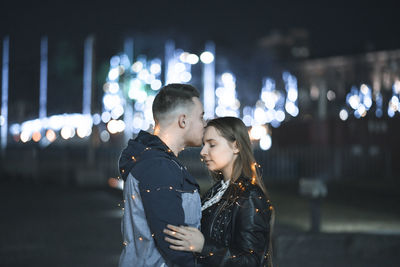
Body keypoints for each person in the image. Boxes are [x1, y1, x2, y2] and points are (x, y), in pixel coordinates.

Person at [163, 117, 274, 267]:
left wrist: (203, 246)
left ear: (236, 146)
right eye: (204, 144)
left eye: (212, 145)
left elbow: (252, 262)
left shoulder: (249, 196)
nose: (203, 152)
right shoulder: (216, 191)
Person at [118, 83, 206, 267]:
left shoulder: (154, 161)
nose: (204, 124)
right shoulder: (159, 168)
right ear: (183, 120)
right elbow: (174, 244)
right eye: (201, 117)